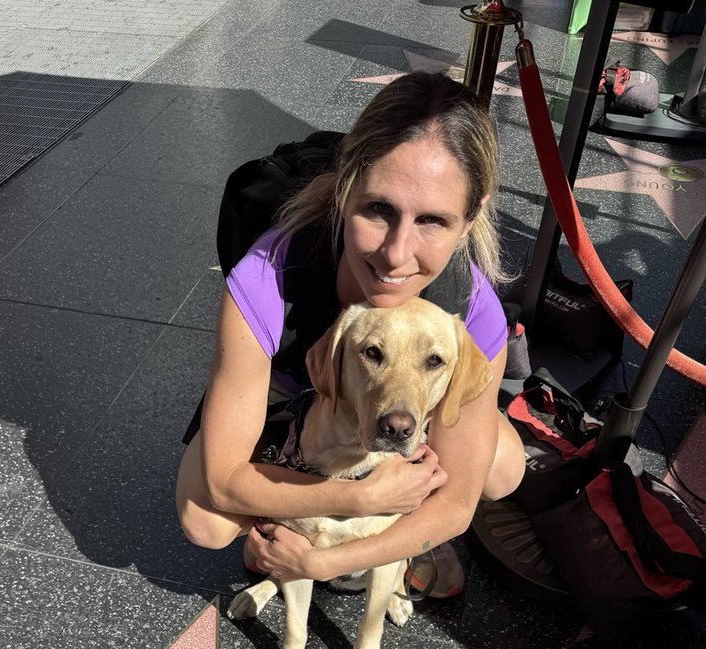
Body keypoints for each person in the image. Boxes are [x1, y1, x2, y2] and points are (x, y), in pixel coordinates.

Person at [175, 71, 525, 594]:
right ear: (346, 190)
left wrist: (325, 563)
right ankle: (298, 519)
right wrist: (355, 501)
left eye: (433, 221)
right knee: (206, 520)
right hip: (291, 394)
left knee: (501, 468)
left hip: (395, 413)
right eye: (379, 209)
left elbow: (455, 509)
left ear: (470, 218)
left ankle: (390, 525)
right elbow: (224, 482)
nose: (396, 254)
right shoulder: (269, 276)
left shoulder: (473, 311)